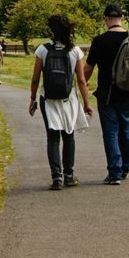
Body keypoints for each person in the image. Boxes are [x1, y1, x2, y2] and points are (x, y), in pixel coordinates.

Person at [83, 4, 129, 185]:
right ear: (122, 18)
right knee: (126, 129)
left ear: (105, 19)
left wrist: (83, 83)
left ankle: (114, 172)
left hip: (107, 93)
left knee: (110, 132)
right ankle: (126, 165)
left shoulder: (100, 40)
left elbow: (88, 67)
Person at [29, 15, 93, 190]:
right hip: (68, 98)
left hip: (48, 99)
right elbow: (81, 81)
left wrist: (33, 99)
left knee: (52, 138)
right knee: (69, 135)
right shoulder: (75, 51)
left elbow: (35, 79)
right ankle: (69, 176)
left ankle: (56, 178)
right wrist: (86, 104)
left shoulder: (42, 50)